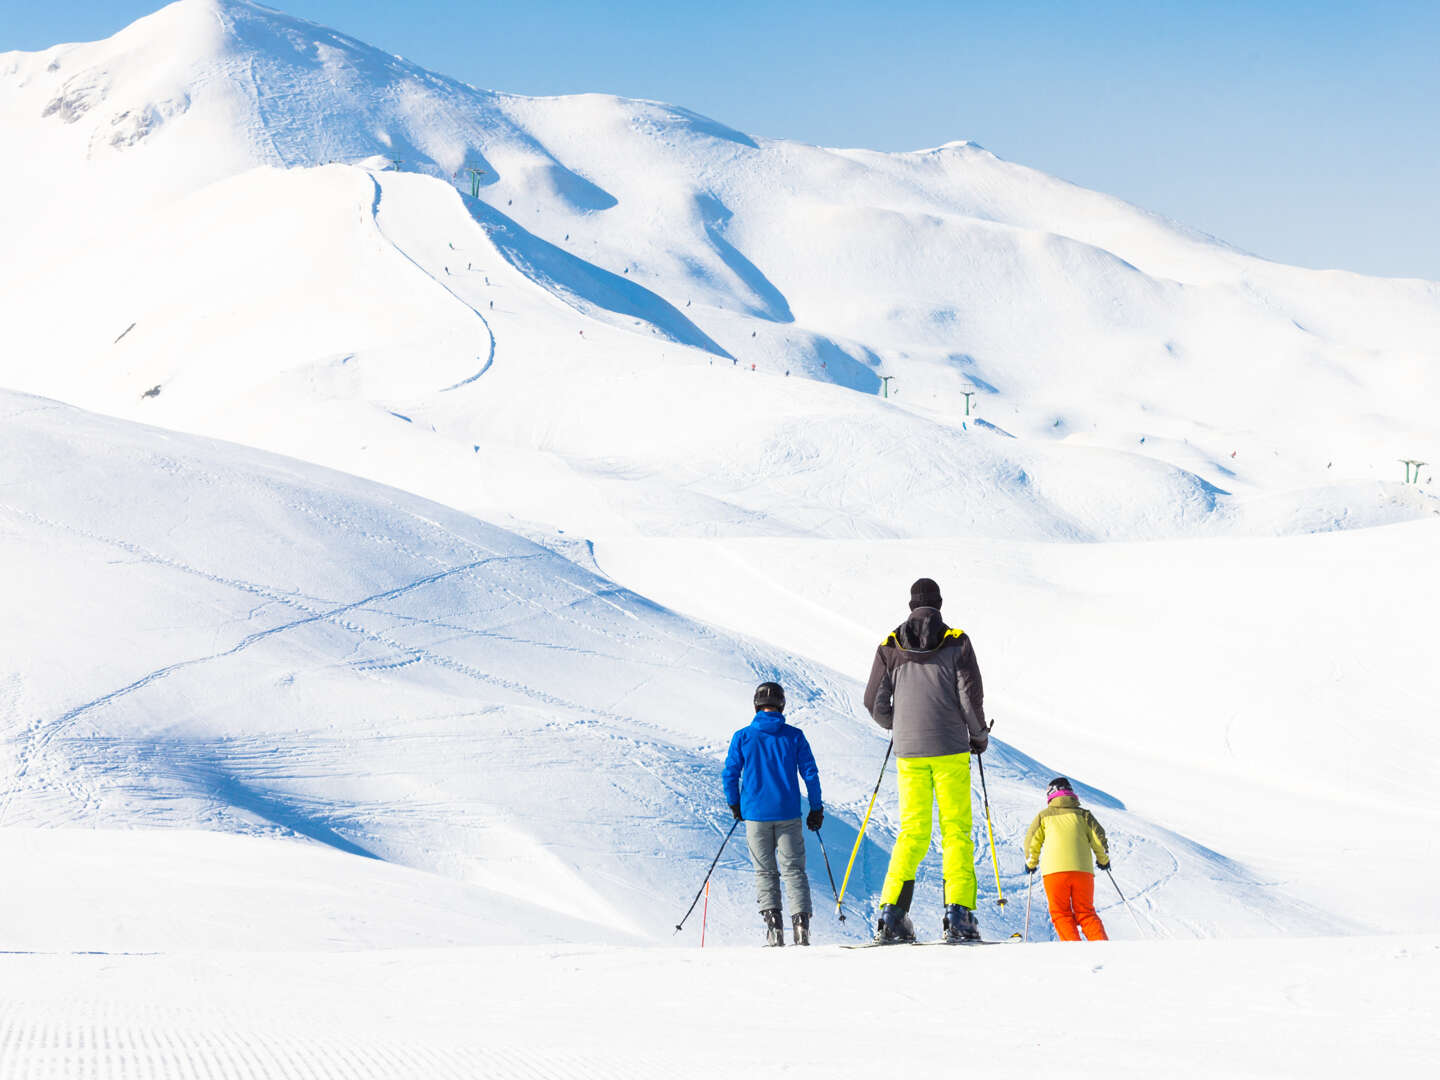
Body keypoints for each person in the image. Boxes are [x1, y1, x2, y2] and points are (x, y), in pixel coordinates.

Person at [863, 578, 989, 944]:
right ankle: (959, 916)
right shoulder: (957, 642)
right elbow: (969, 697)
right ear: (939, 603)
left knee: (912, 832)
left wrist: (898, 726)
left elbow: (873, 702)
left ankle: (892, 916)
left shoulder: (890, 646)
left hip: (909, 754)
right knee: (956, 832)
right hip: (950, 749)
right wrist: (978, 736)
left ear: (910, 605)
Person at [722, 681, 824, 946]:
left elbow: (730, 774)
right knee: (794, 872)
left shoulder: (743, 736)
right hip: (788, 813)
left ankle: (774, 931)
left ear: (756, 704)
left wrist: (735, 805)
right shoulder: (794, 736)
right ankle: (801, 930)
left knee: (765, 872)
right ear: (781, 704)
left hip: (755, 815)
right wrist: (816, 807)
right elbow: (810, 774)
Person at [1023, 777, 1111, 941]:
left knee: (1061, 913)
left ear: (1050, 794)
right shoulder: (1084, 815)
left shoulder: (1044, 816)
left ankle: (1073, 948)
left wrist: (1031, 862)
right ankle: (1102, 947)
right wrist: (1103, 860)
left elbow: (1032, 841)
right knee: (1085, 912)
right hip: (1083, 871)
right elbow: (1098, 840)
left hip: (1054, 873)